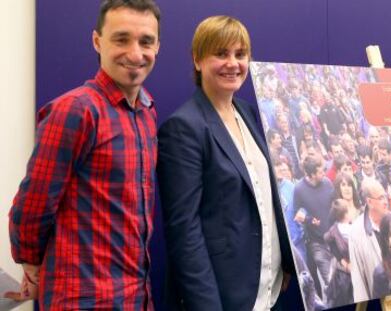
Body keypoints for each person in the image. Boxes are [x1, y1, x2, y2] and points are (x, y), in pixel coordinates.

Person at [7, 0, 160, 309]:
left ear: (158, 45)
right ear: (96, 41)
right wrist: (33, 266)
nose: (135, 53)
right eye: (121, 39)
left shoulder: (146, 111)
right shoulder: (76, 110)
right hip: (83, 298)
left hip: (135, 296)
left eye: (146, 42)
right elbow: (32, 205)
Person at [157, 16, 294, 311]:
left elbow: (264, 196)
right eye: (221, 53)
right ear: (197, 60)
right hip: (222, 297)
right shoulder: (183, 128)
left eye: (240, 54)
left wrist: (285, 260)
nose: (233, 63)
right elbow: (184, 232)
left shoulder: (246, 112)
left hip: (266, 291)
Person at [293, 155, 334, 299]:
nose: (324, 173)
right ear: (311, 174)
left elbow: (335, 204)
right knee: (330, 281)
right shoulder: (299, 189)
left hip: (334, 238)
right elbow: (297, 214)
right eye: (321, 171)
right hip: (317, 243)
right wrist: (310, 220)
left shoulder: (328, 183)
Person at [348, 179, 391, 302]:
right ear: (369, 202)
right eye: (380, 198)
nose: (386, 201)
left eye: (385, 196)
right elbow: (358, 279)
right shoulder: (356, 233)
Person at [324, 199, 353, 307]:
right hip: (350, 272)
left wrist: (341, 260)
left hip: (340, 272)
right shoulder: (351, 230)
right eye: (349, 210)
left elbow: (327, 239)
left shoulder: (334, 229)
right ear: (345, 214)